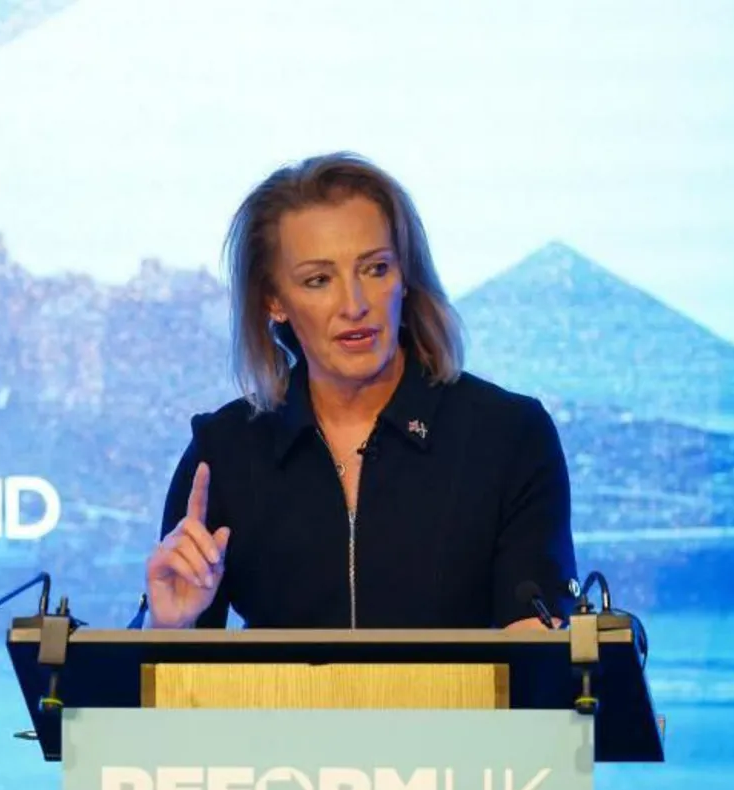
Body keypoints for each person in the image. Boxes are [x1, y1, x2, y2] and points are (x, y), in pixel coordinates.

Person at [145, 152, 576, 631]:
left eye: (375, 269)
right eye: (318, 280)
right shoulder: (225, 450)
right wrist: (170, 626)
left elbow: (540, 654)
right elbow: (169, 687)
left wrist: (542, 643)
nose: (355, 305)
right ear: (273, 299)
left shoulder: (508, 435)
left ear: (405, 277)